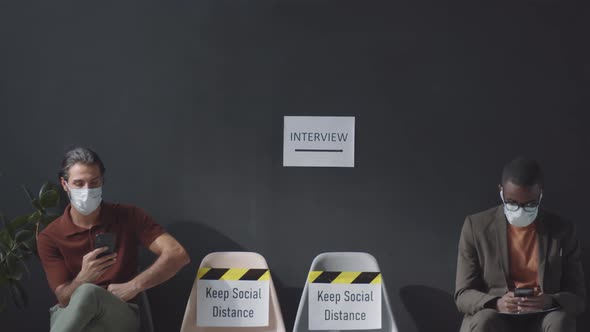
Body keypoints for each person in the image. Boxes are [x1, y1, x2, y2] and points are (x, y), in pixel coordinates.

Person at [38, 147, 191, 332]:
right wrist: (83, 278)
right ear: (64, 184)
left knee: (90, 293)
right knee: (88, 309)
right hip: (70, 314)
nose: (87, 190)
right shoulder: (50, 236)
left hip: (119, 312)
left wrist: (133, 286)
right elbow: (63, 298)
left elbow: (177, 255)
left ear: (102, 181)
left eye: (94, 182)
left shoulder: (129, 216)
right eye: (79, 183)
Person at [454, 157, 585, 332]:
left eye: (530, 204)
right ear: (501, 192)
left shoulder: (563, 230)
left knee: (559, 321)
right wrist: (497, 303)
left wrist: (549, 300)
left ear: (540, 194)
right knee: (483, 320)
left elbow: (578, 298)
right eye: (512, 203)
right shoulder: (475, 227)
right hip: (497, 315)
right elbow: (463, 294)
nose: (520, 210)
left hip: (543, 316)